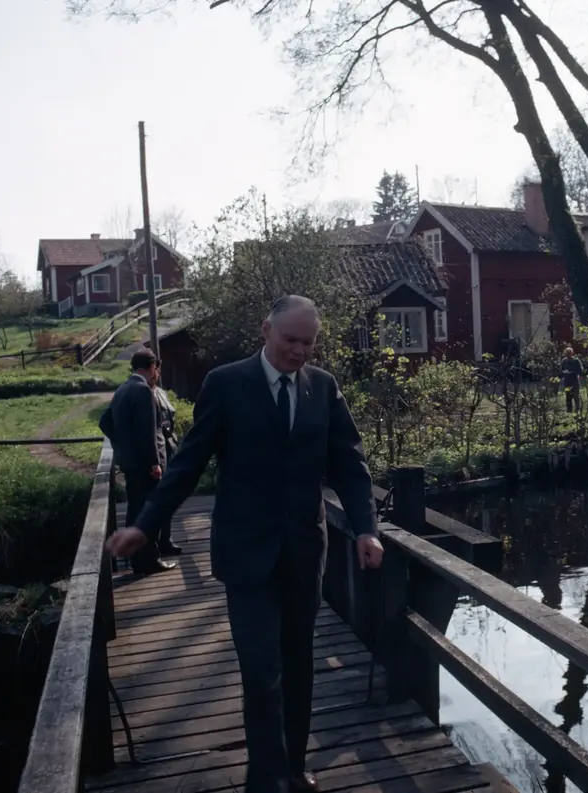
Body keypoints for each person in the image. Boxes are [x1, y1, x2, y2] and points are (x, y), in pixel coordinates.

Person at [105, 295, 384, 793]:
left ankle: (293, 768)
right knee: (260, 670)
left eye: (308, 343)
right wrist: (145, 526)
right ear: (265, 330)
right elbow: (188, 462)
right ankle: (266, 780)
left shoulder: (322, 387)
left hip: (304, 551)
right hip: (246, 553)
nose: (299, 351)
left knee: (297, 666)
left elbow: (349, 462)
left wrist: (365, 528)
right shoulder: (226, 384)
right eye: (290, 340)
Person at [99, 349, 175, 576]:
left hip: (131, 464)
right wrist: (154, 463)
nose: (156, 374)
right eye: (156, 369)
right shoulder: (143, 391)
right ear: (151, 367)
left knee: (135, 509)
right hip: (146, 465)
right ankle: (149, 560)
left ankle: (136, 559)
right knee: (149, 511)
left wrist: (123, 445)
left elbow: (105, 422)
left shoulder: (122, 389)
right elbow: (147, 432)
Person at [153, 382, 182, 556]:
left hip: (168, 449)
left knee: (167, 497)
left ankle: (165, 539)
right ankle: (155, 545)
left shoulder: (160, 392)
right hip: (155, 456)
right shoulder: (141, 394)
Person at [560, 347, 583, 413]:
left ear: (572, 353)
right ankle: (569, 410)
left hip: (574, 380)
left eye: (569, 353)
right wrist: (563, 372)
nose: (568, 355)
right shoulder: (564, 361)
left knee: (576, 395)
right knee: (568, 396)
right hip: (567, 381)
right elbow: (561, 370)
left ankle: (577, 409)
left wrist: (573, 372)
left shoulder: (576, 360)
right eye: (567, 353)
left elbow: (580, 370)